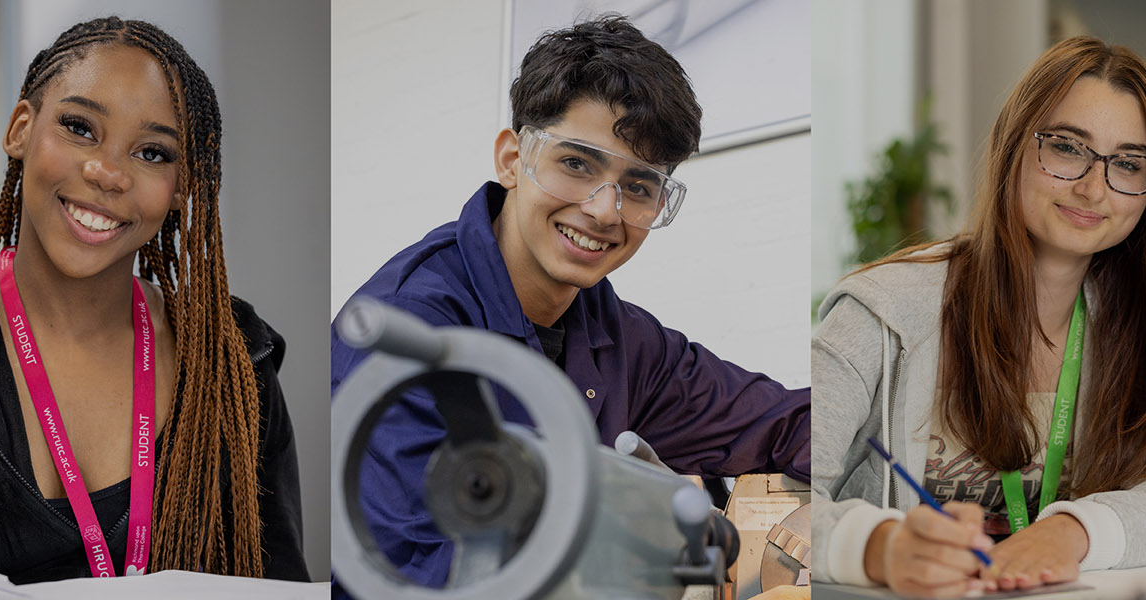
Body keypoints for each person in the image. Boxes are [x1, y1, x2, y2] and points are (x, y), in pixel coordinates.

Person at [330, 14, 811, 590]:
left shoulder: (617, 335)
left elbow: (788, 422)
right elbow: (416, 575)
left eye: (638, 186)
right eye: (576, 163)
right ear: (513, 160)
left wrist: (845, 516)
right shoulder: (410, 329)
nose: (604, 210)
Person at [0, 17, 308, 597]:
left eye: (152, 152)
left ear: (182, 186)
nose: (108, 173)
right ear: (21, 129)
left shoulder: (233, 357)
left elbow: (278, 584)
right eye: (79, 127)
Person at [809, 36, 1146, 597]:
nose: (1093, 188)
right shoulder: (882, 312)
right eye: (1068, 148)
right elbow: (787, 493)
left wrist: (1073, 531)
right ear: (1013, 145)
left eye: (1127, 163)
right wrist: (877, 546)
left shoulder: (1145, 322)